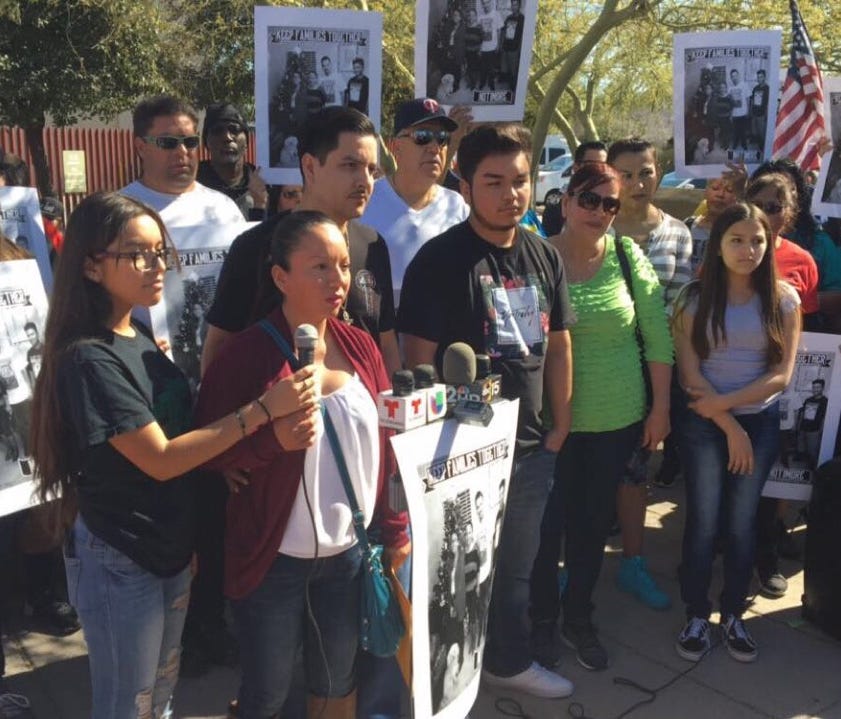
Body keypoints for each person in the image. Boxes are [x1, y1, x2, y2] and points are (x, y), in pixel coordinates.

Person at [29, 192, 315, 719]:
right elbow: (159, 457)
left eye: (161, 251)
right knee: (128, 703)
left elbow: (181, 435)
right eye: (137, 253)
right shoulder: (88, 357)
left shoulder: (132, 331)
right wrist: (261, 411)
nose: (157, 265)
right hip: (123, 553)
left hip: (168, 546)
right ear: (91, 266)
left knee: (160, 694)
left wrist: (215, 472)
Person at [194, 210, 409, 719]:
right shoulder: (248, 355)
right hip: (272, 564)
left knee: (337, 682)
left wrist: (394, 524)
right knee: (267, 692)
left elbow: (387, 437)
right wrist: (268, 443)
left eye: (343, 266)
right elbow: (206, 446)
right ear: (280, 277)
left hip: (350, 556)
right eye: (319, 267)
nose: (337, 281)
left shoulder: (360, 345)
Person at [399, 123, 575, 698]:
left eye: (520, 181)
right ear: (465, 184)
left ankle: (507, 659)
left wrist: (559, 425)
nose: (511, 195)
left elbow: (559, 343)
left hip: (528, 451)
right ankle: (441, 685)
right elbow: (418, 362)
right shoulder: (439, 260)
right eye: (494, 182)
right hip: (457, 459)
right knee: (453, 579)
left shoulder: (544, 254)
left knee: (517, 571)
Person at [531, 162, 672, 671]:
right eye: (589, 199)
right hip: (551, 425)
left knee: (591, 529)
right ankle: (542, 621)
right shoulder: (536, 257)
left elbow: (657, 337)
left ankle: (579, 619)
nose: (599, 212)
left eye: (610, 204)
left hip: (617, 421)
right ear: (565, 201)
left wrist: (661, 407)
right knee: (546, 532)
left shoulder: (629, 257)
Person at [672, 202, 800, 664]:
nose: (748, 250)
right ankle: (695, 613)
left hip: (756, 420)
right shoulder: (691, 299)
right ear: (719, 243)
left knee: (742, 522)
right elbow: (689, 374)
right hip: (704, 422)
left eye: (757, 240)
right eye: (737, 240)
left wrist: (735, 417)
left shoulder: (784, 300)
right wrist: (728, 425)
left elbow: (781, 375)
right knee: (705, 519)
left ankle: (733, 614)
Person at [201, 107, 400, 378]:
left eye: (371, 170)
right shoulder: (256, 246)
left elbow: (386, 345)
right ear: (309, 166)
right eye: (350, 165)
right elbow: (218, 351)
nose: (364, 181)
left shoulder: (373, 245)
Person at [607, 137, 691, 609]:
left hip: (650, 369)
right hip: (597, 367)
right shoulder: (595, 224)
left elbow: (678, 310)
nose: (638, 183)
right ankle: (570, 563)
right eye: (627, 174)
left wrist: (667, 388)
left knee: (637, 471)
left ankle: (633, 563)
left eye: (646, 172)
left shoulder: (678, 233)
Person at [745, 173, 819, 597]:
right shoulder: (724, 251)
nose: (768, 213)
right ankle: (729, 544)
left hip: (781, 386)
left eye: (776, 206)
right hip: (732, 383)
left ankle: (767, 554)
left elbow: (808, 330)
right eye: (760, 203)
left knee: (773, 478)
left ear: (789, 213)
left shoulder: (802, 261)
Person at [361, 98, 469, 309]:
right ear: (395, 147)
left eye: (443, 138)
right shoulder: (366, 201)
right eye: (423, 137)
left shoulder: (457, 206)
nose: (435, 147)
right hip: (380, 334)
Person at [120, 95, 245, 228]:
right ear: (141, 148)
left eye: (190, 141)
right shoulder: (115, 213)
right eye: (168, 142)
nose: (182, 151)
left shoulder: (223, 208)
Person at [196, 103, 268, 222]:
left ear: (246, 142)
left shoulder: (264, 184)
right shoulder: (191, 185)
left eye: (234, 130)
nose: (227, 137)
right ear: (206, 142)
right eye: (217, 131)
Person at [541, 140, 608, 237]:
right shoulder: (555, 210)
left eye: (603, 166)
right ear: (576, 167)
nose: (597, 171)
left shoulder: (612, 206)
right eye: (591, 165)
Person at [684, 175, 739, 276]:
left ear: (737, 197)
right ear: (705, 192)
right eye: (715, 188)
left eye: (729, 190)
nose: (720, 194)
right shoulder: (688, 225)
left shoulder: (739, 233)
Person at [796, 379, 828, 469]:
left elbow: (824, 417)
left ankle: (813, 469)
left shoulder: (825, 401)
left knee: (812, 450)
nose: (815, 389)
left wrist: (821, 430)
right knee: (801, 448)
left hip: (814, 430)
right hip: (803, 428)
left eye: (818, 387)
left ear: (822, 388)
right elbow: (802, 413)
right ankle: (803, 465)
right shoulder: (808, 399)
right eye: (814, 387)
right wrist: (798, 426)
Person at [477, 0, 503, 91]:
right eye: (483, 3)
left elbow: (499, 31)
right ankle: (482, 83)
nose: (485, 5)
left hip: (493, 47)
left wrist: (498, 45)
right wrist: (479, 48)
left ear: (490, 3)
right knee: (482, 68)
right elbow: (479, 35)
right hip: (483, 48)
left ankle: (491, 84)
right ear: (482, 5)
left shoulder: (496, 15)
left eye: (487, 2)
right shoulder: (480, 17)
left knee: (491, 68)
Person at [727, 69, 751, 157]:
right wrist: (730, 114)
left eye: (735, 75)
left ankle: (744, 146)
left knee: (743, 131)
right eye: (732, 76)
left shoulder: (744, 85)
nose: (734, 78)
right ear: (731, 77)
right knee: (735, 131)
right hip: (734, 114)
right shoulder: (730, 88)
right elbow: (729, 102)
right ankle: (735, 144)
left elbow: (748, 99)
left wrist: (748, 110)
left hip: (743, 113)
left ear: (738, 76)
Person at [500, 0, 525, 87]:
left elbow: (523, 35)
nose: (513, 7)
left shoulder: (522, 18)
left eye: (515, 5)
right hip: (506, 46)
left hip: (514, 48)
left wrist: (519, 49)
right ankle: (506, 80)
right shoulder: (508, 17)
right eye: (512, 5)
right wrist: (501, 45)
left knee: (513, 69)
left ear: (519, 6)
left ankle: (513, 86)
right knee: (505, 67)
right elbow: (503, 31)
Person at [750, 70, 769, 150]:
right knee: (755, 131)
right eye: (758, 77)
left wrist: (766, 114)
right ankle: (757, 144)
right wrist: (750, 111)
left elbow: (768, 103)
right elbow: (752, 100)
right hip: (754, 113)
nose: (759, 79)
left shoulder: (767, 89)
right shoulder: (755, 88)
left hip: (762, 114)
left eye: (761, 77)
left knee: (762, 132)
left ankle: (763, 148)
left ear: (764, 77)